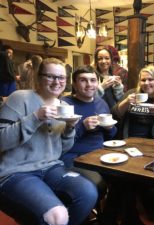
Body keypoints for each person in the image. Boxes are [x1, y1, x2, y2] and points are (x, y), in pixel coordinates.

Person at [0, 58, 98, 225]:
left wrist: (69, 128)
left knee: (88, 192)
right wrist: (35, 117)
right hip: (16, 172)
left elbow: (62, 150)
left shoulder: (64, 106)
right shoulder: (20, 98)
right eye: (50, 76)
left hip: (51, 167)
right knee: (57, 215)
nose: (57, 82)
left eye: (61, 77)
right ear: (39, 78)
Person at [112, 65, 154, 139]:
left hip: (153, 142)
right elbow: (114, 115)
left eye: (150, 79)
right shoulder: (131, 93)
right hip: (129, 139)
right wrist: (126, 102)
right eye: (143, 80)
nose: (146, 83)